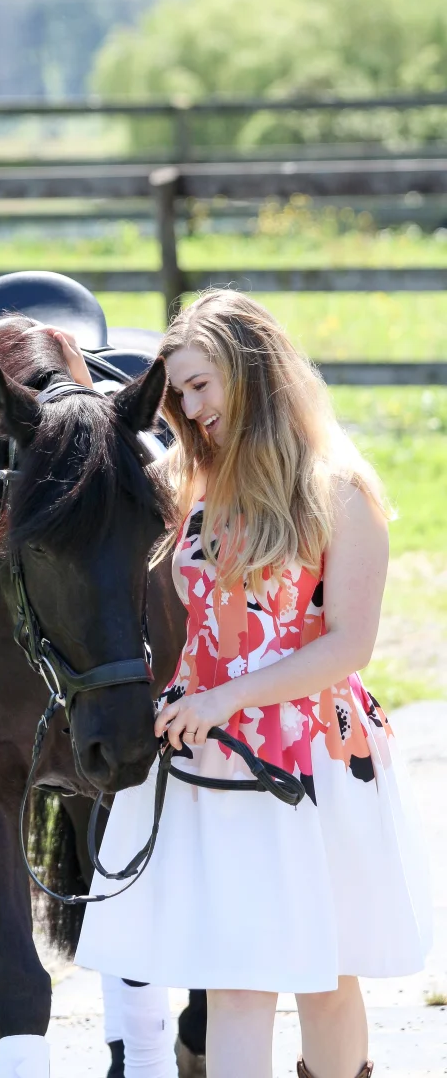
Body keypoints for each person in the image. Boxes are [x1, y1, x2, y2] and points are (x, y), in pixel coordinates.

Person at [45, 290, 432, 1078]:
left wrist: (226, 697)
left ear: (250, 371)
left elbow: (349, 645)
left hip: (312, 757)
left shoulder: (339, 488)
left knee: (328, 974)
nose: (189, 410)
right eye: (179, 394)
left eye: (200, 385)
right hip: (211, 757)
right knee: (234, 978)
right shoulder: (184, 482)